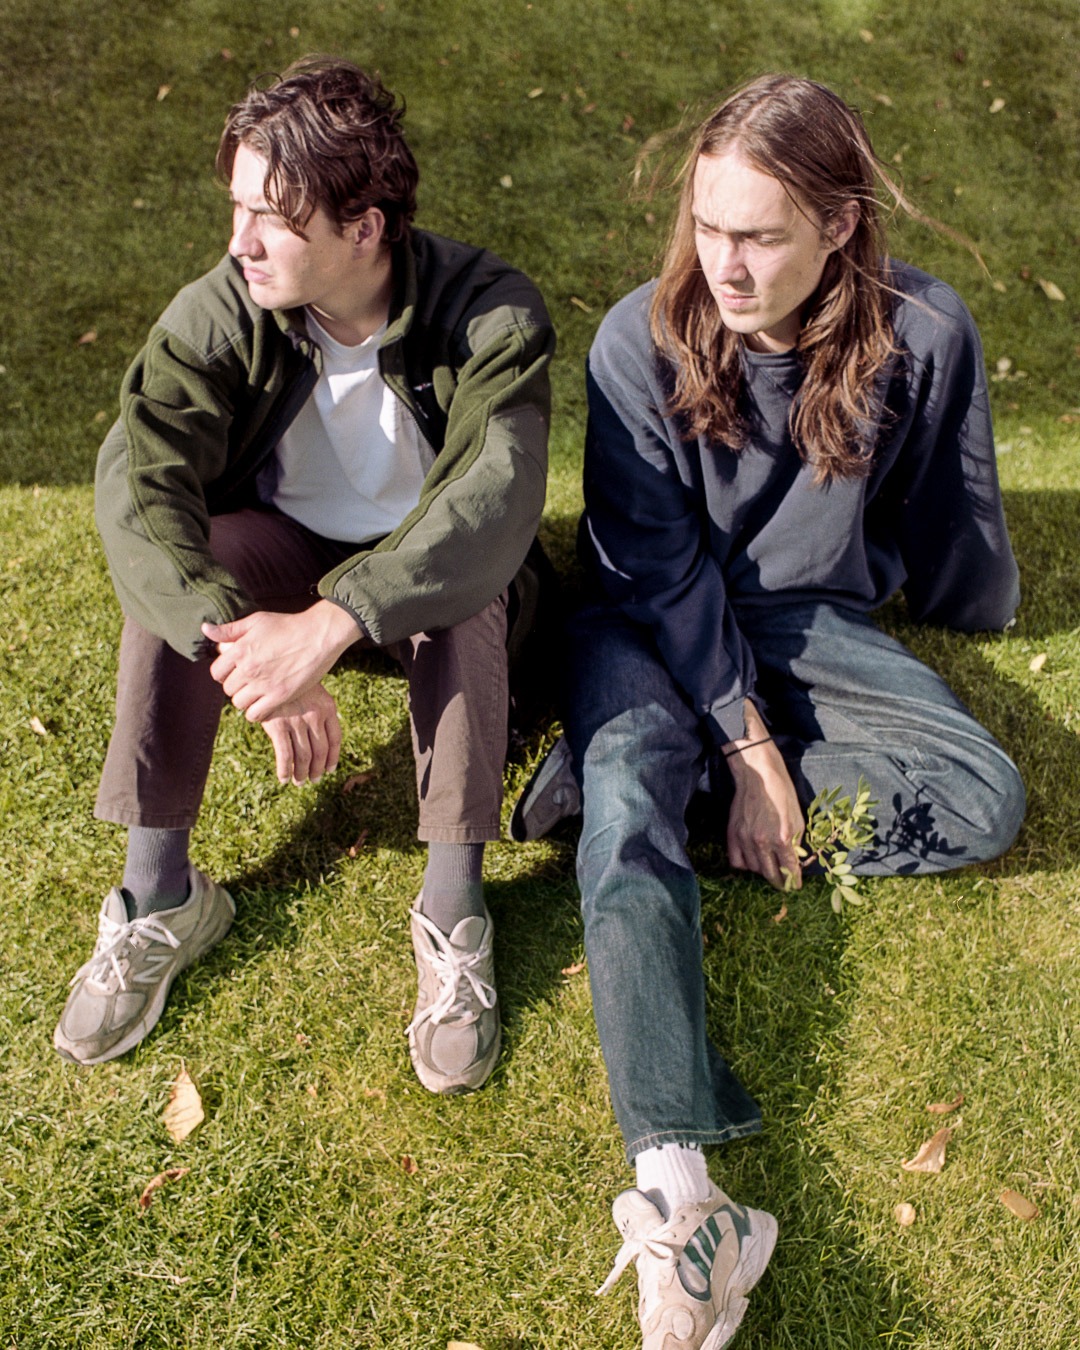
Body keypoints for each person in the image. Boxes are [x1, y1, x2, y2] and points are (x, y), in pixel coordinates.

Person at [513, 74, 1024, 1349]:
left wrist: (963, 608)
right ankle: (681, 1196)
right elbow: (654, 564)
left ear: (839, 226)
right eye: (707, 227)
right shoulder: (636, 340)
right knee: (630, 802)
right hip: (646, 615)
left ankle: (650, 796)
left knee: (985, 800)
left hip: (807, 625)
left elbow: (948, 510)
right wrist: (749, 745)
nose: (724, 265)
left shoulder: (924, 332)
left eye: (758, 235)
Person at [54, 56, 554, 1097]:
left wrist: (327, 629)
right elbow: (140, 482)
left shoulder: (489, 312)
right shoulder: (224, 308)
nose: (241, 241)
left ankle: (454, 910)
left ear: (364, 227)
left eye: (272, 220)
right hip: (286, 555)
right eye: (237, 208)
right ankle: (160, 894)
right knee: (192, 564)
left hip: (425, 573)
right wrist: (243, 651)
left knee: (465, 592)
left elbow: (489, 500)